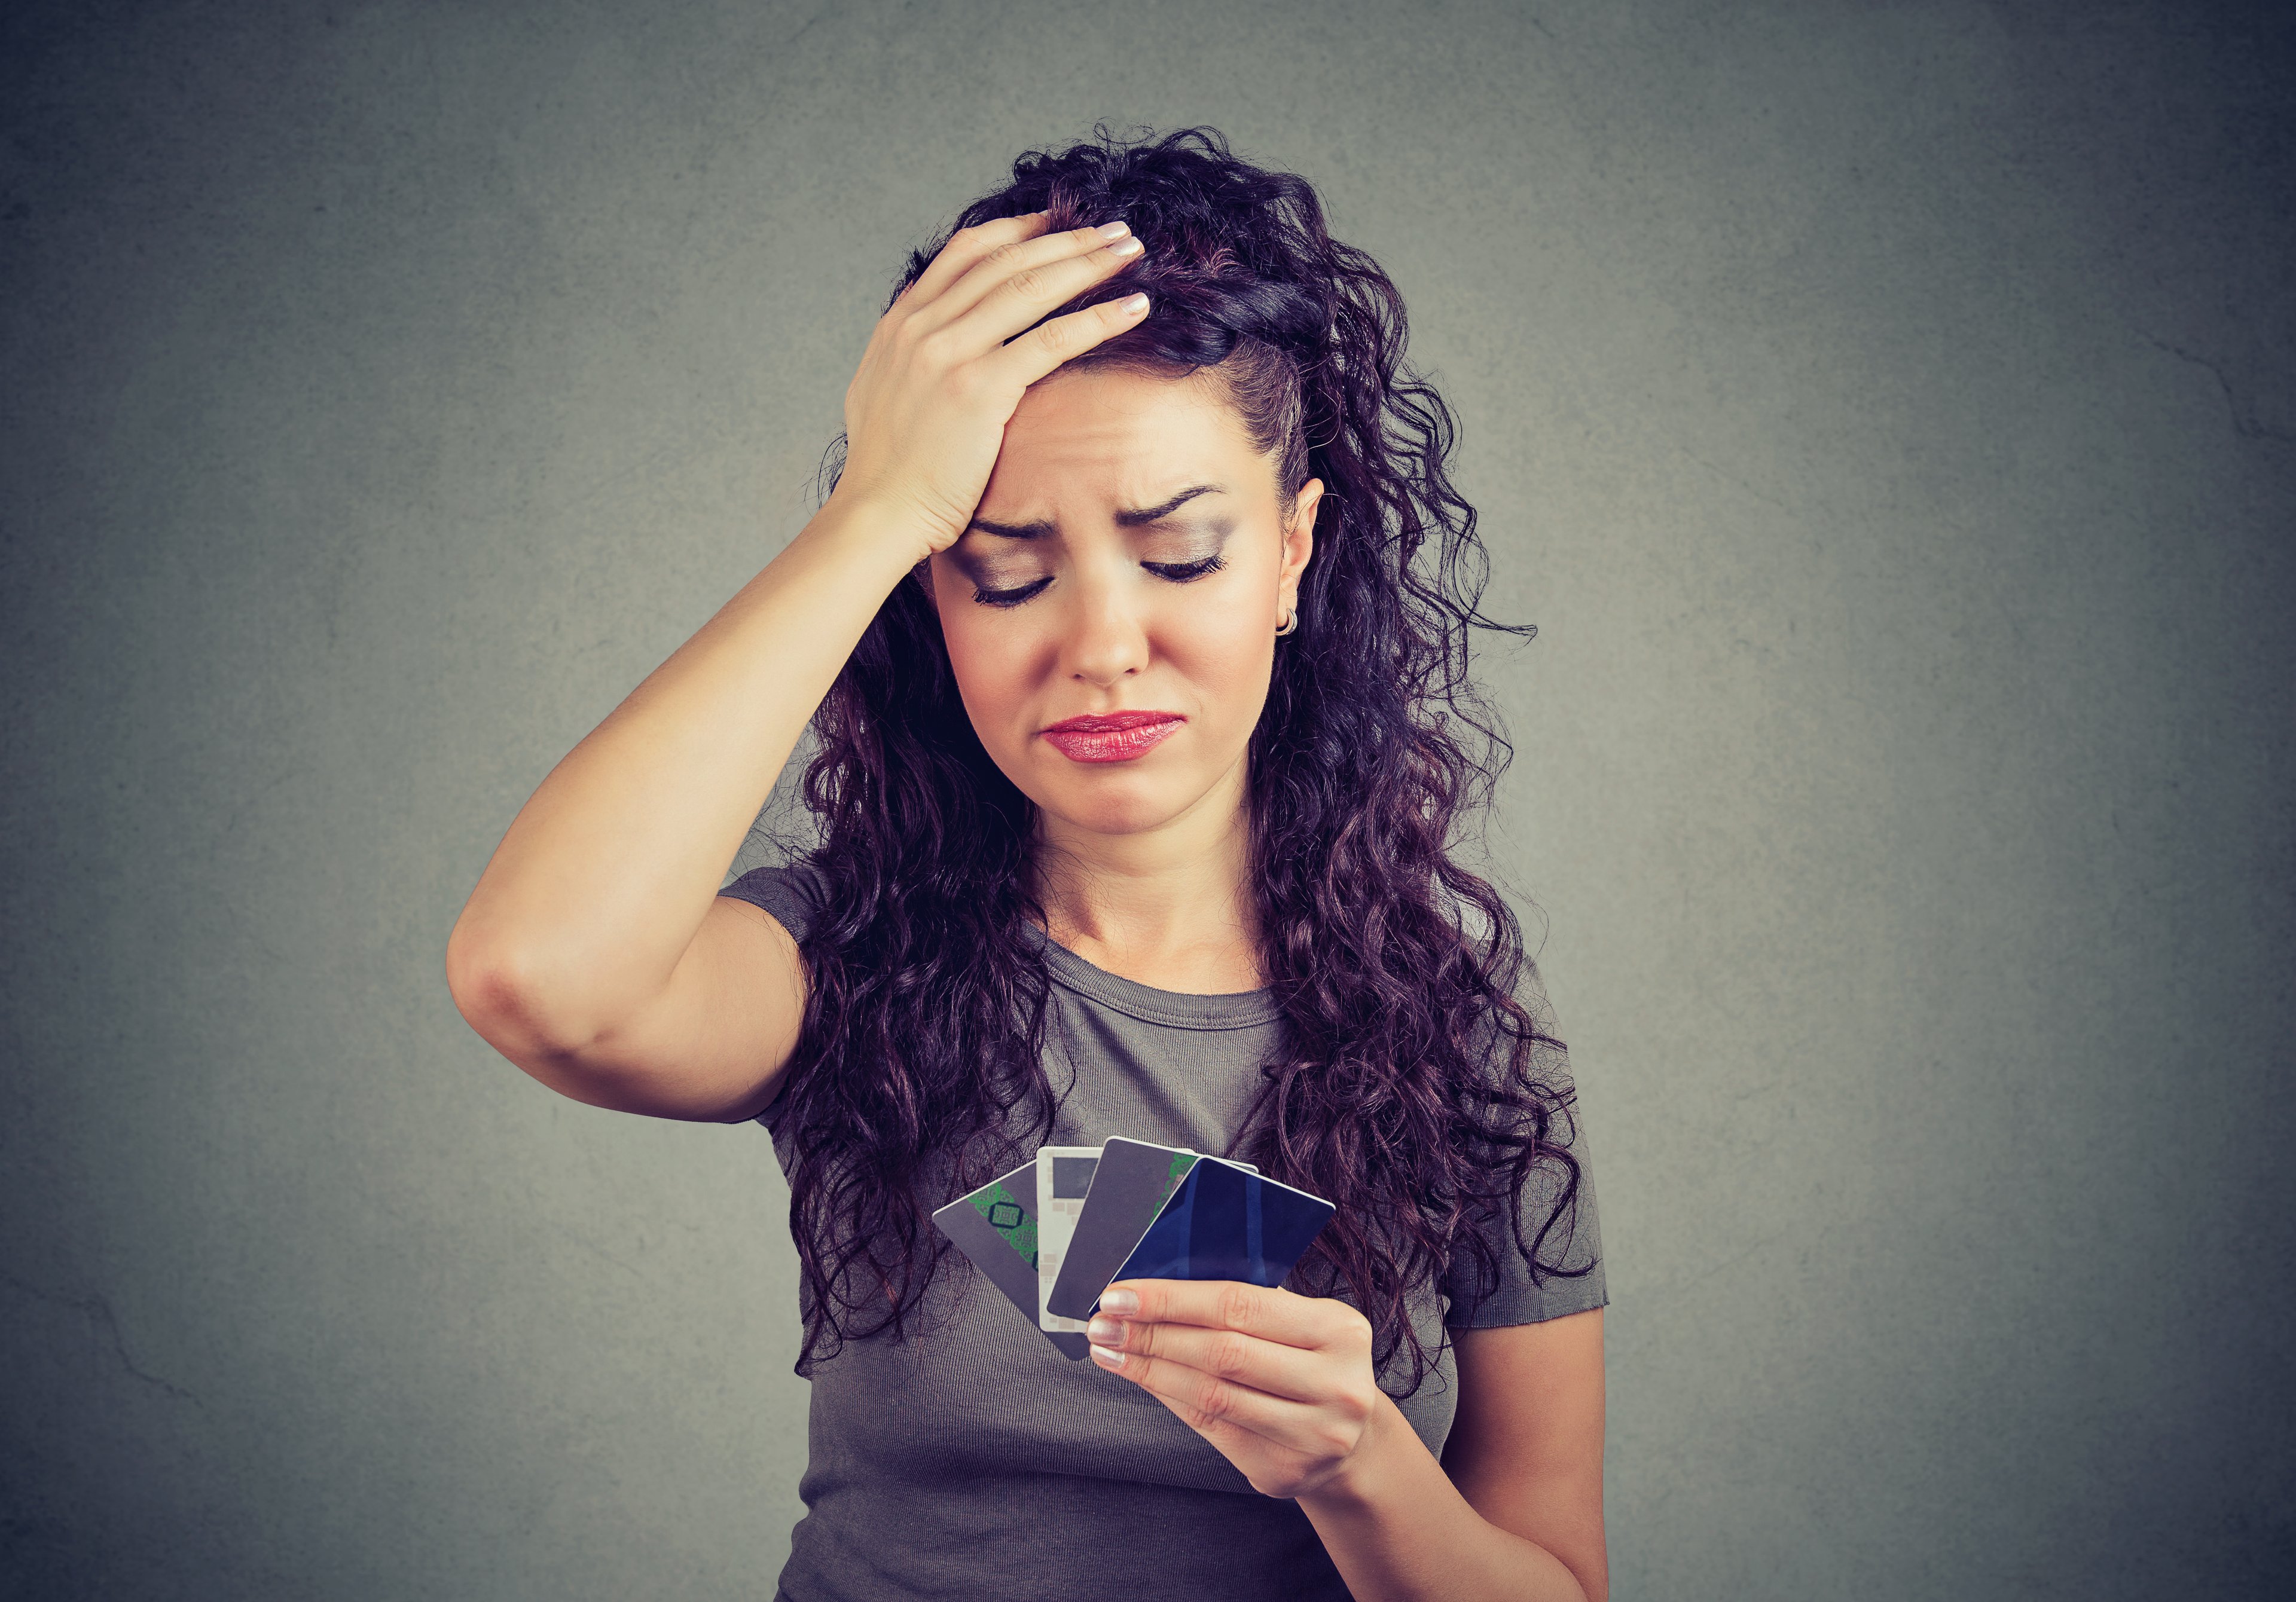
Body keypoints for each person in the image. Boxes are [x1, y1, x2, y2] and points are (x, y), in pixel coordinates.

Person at [447, 126, 1608, 1601]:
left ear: (1296, 553)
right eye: (1005, 571)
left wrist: (1359, 1464)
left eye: (1180, 554)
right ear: (936, 595)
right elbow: (536, 976)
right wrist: (879, 507)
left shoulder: (1461, 1028)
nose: (1102, 642)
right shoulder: (846, 956)